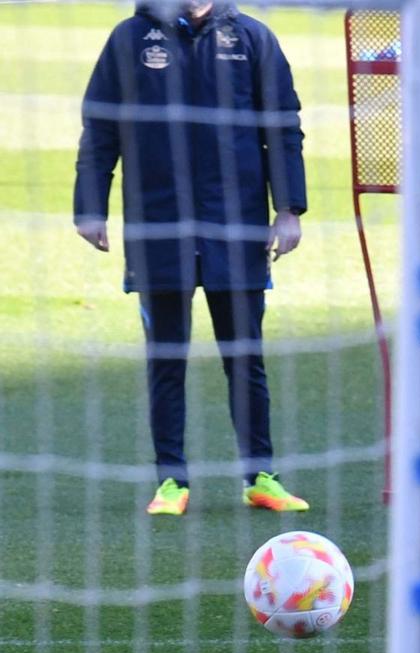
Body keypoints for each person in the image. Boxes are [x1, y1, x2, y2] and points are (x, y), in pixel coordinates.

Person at [73, 1, 310, 516]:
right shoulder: (129, 39)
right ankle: (171, 482)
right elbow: (101, 127)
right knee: (166, 358)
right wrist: (90, 208)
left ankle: (261, 476)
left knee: (245, 357)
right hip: (158, 226)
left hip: (237, 225)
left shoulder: (253, 39)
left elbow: (283, 126)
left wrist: (288, 209)